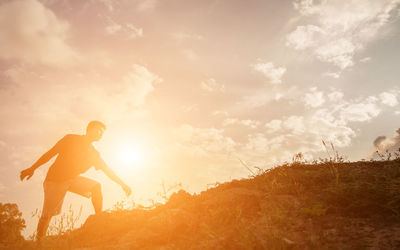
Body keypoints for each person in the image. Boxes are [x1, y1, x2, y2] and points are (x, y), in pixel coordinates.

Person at [19, 121, 132, 241]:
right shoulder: (70, 139)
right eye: (97, 129)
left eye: (102, 132)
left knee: (96, 187)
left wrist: (123, 184)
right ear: (88, 129)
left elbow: (108, 171)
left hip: (72, 180)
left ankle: (99, 218)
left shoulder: (94, 154)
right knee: (47, 215)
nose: (99, 133)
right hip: (55, 180)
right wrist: (32, 168)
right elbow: (50, 153)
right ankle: (39, 241)